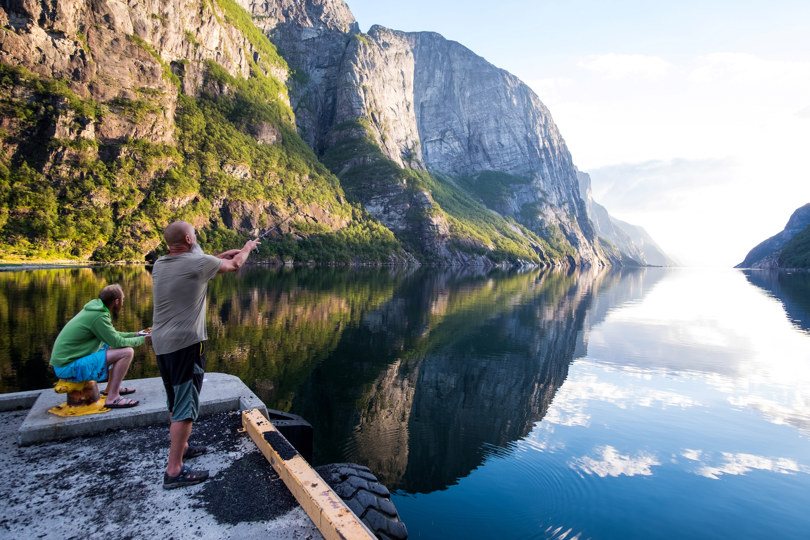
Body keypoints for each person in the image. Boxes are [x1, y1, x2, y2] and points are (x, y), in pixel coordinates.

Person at [151, 221, 259, 489]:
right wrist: (246, 248)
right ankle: (174, 470)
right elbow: (234, 266)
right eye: (195, 235)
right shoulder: (196, 265)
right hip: (186, 344)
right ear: (189, 238)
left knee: (175, 399)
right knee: (186, 407)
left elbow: (203, 261)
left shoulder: (160, 265)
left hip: (161, 343)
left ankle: (183, 447)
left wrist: (219, 256)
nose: (197, 238)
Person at [50, 284, 147, 408]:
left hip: (65, 364)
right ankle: (113, 398)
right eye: (123, 299)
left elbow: (112, 336)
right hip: (67, 367)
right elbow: (116, 341)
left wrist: (136, 334)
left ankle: (110, 389)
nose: (123, 302)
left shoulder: (96, 310)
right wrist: (142, 340)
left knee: (109, 345)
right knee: (127, 352)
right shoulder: (98, 316)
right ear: (117, 301)